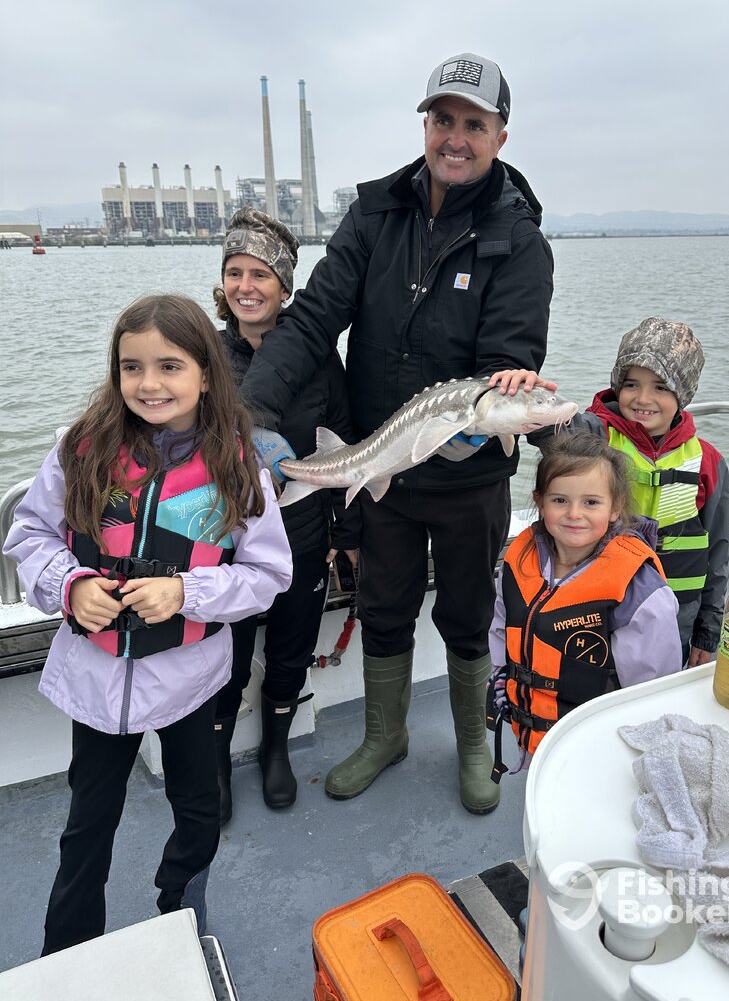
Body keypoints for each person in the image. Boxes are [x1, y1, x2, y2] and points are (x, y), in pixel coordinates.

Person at [238, 51, 555, 814]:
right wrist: (252, 414)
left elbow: (510, 360)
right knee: (382, 607)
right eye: (443, 119)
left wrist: (488, 418)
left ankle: (474, 743)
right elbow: (312, 320)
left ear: (500, 136)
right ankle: (386, 736)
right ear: (426, 124)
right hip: (378, 468)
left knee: (467, 615)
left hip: (469, 479)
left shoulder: (520, 243)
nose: (455, 137)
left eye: (473, 124)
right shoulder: (375, 214)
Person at [2, 294, 292, 955]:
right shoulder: (80, 449)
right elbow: (30, 534)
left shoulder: (237, 468)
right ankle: (68, 949)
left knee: (198, 809)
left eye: (170, 366)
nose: (149, 383)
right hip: (96, 683)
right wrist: (71, 585)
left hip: (190, 682)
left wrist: (187, 591)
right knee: (87, 822)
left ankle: (182, 912)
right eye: (132, 367)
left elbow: (268, 574)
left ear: (206, 375)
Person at [212, 208, 360, 821]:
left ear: (285, 287)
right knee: (224, 659)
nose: (246, 286)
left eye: (261, 275)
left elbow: (346, 443)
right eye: (235, 272)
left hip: (302, 536)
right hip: (223, 544)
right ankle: (215, 761)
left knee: (291, 650)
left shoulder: (320, 359)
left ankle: (277, 748)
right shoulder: (203, 355)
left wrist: (345, 534)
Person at [488, 430, 682, 775]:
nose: (574, 514)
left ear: (615, 507)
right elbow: (502, 627)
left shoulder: (637, 588)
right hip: (532, 735)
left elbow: (651, 688)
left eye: (591, 502)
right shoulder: (519, 561)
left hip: (599, 747)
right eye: (560, 500)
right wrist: (501, 676)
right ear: (539, 501)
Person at [567, 317, 729, 666]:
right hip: (596, 613)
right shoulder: (592, 438)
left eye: (661, 387)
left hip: (676, 620)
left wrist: (707, 630)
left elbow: (717, 554)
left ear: (683, 394)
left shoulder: (708, 462)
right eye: (631, 384)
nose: (643, 398)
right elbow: (548, 428)